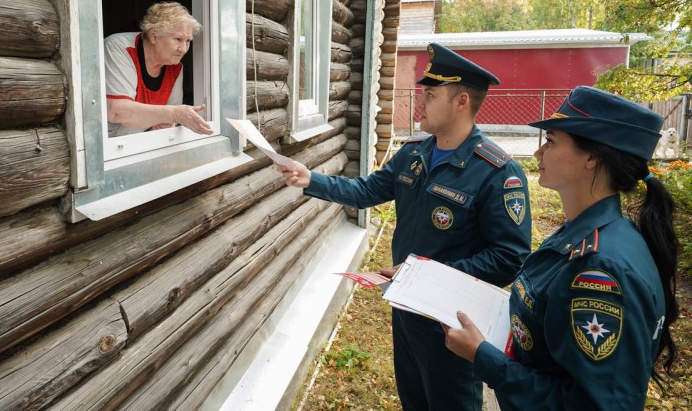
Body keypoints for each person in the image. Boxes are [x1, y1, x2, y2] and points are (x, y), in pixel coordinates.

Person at [278, 43, 532, 410]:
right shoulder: (413, 153)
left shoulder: (497, 172)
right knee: (413, 400)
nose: (419, 101)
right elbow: (366, 191)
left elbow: (510, 258)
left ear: (462, 102)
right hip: (407, 311)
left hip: (452, 325)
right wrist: (310, 179)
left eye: (430, 94)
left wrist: (425, 275)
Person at [443, 86, 680, 411]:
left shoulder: (599, 271)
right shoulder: (586, 232)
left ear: (591, 158)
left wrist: (483, 356)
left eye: (551, 141)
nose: (539, 154)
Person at [105, 2, 213, 137]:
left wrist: (164, 123)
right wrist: (174, 114)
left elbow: (167, 119)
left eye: (188, 41)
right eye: (178, 39)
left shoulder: (175, 67)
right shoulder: (118, 48)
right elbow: (117, 111)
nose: (184, 49)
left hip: (141, 145)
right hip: (110, 149)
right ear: (153, 35)